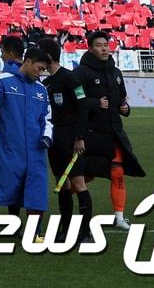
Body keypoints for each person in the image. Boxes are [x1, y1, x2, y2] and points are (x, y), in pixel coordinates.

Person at [0, 45, 52, 226]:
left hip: (36, 148)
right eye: (39, 68)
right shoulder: (2, 81)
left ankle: (35, 231)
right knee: (2, 186)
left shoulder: (41, 89)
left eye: (44, 70)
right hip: (9, 147)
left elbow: (47, 118)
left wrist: (47, 136)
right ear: (28, 61)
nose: (40, 73)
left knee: (37, 189)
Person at [75, 30, 145, 231]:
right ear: (90, 48)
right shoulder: (81, 73)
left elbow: (122, 100)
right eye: (99, 45)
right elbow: (77, 100)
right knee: (84, 176)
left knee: (117, 172)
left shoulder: (116, 73)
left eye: (106, 45)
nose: (104, 48)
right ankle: (64, 200)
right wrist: (95, 103)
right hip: (91, 134)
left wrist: (125, 109)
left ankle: (119, 217)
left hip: (113, 132)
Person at [39, 37, 92, 241]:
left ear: (49, 57)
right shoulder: (47, 83)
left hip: (72, 137)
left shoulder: (70, 78)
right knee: (62, 183)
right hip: (56, 138)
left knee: (78, 183)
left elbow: (83, 106)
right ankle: (65, 229)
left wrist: (80, 136)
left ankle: (85, 232)